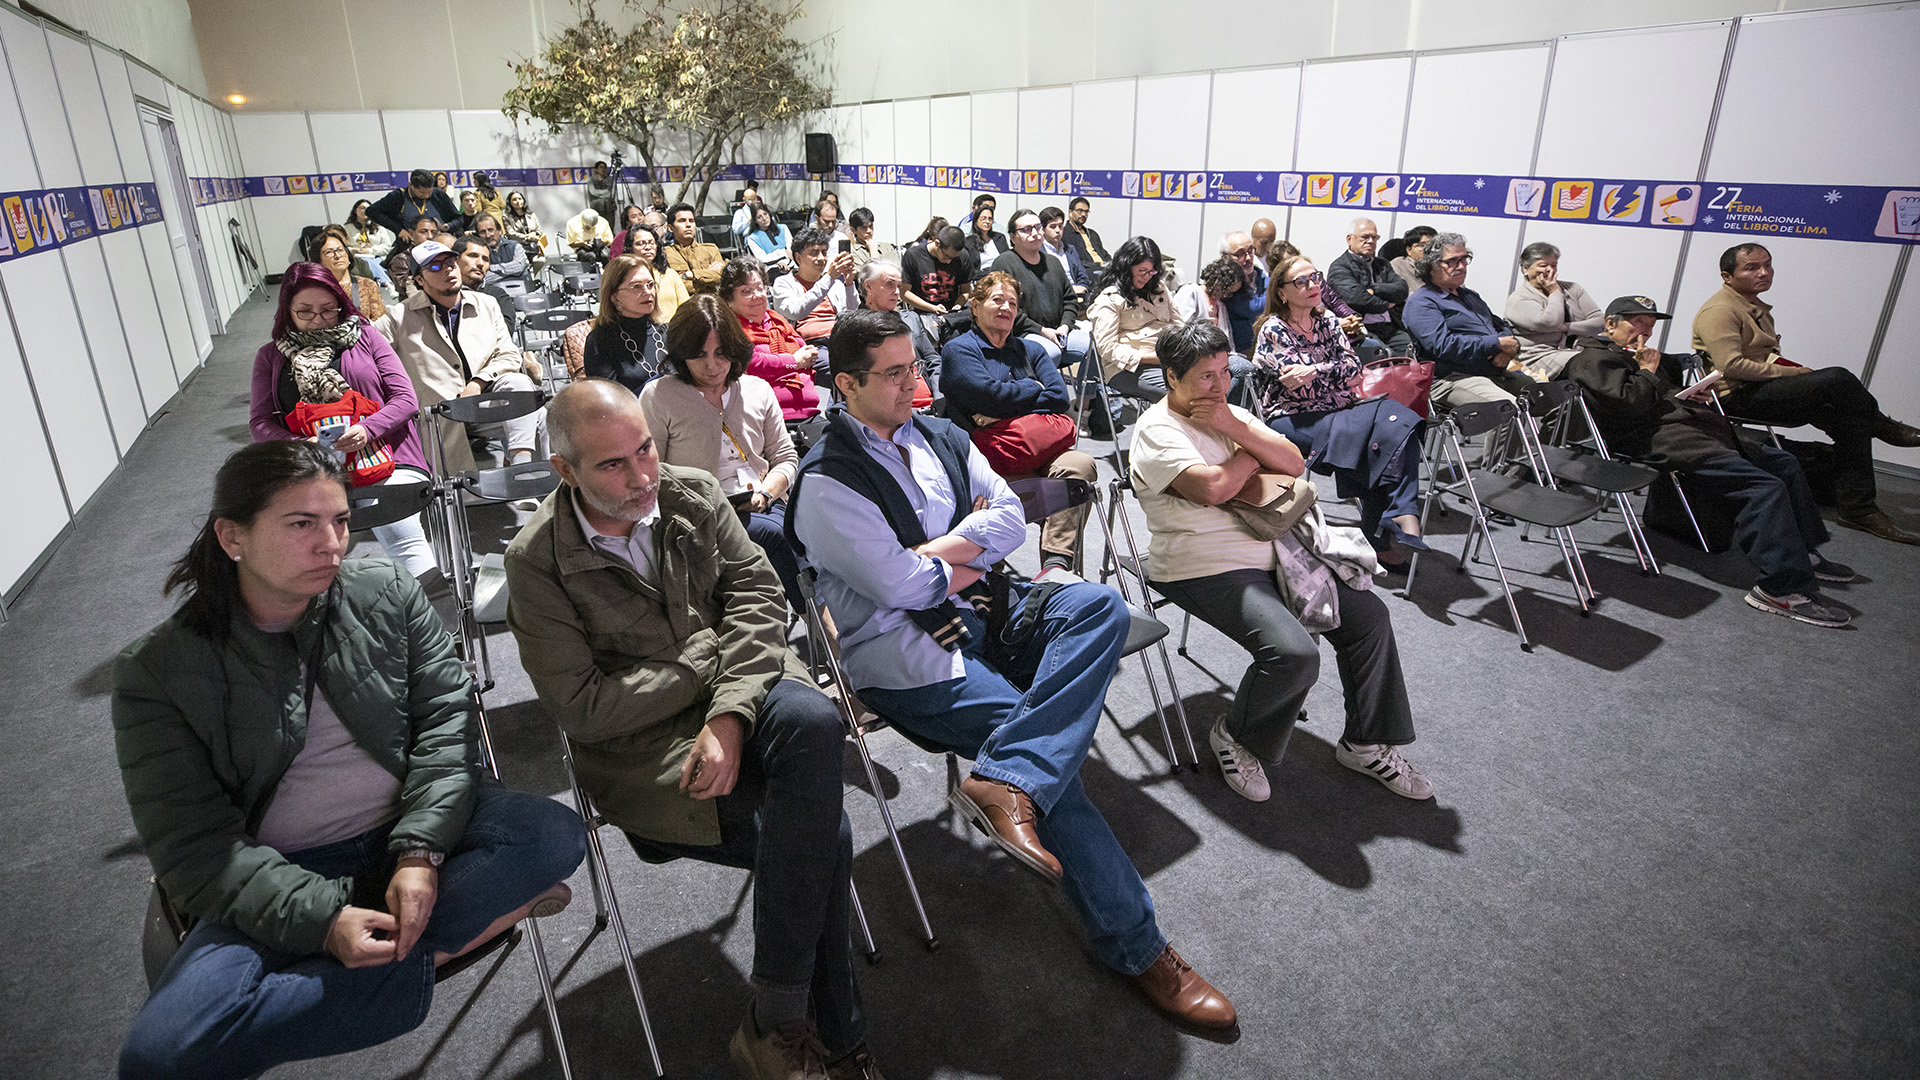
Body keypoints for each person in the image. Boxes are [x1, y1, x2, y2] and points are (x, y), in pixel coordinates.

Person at [788, 309, 1237, 1032]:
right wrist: (960, 553)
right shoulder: (825, 481)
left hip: (988, 611)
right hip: (906, 653)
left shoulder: (939, 434)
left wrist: (939, 555)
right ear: (846, 384)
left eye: (914, 367)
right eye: (894, 374)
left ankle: (1007, 779)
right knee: (1035, 749)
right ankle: (1139, 947)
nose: (913, 384)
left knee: (1098, 607)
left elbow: (1006, 516)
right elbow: (901, 588)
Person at [114, 440, 583, 1080]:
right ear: (231, 537)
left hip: (413, 830)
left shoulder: (383, 591)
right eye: (301, 524)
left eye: (339, 521)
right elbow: (193, 847)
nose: (332, 544)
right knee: (160, 1055)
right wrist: (324, 919)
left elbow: (447, 718)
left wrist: (420, 853)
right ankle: (441, 946)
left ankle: (376, 948)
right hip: (281, 867)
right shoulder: (157, 670)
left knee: (552, 834)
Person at [502, 381, 878, 1080]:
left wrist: (728, 716)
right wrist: (705, 655)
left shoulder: (693, 493)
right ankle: (826, 1031)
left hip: (744, 687)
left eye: (645, 449)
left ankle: (777, 1024)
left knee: (814, 718)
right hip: (646, 750)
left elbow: (760, 600)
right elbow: (585, 709)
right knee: (826, 834)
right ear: (565, 471)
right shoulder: (537, 561)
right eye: (613, 464)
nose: (642, 475)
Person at [1132, 319, 1433, 805]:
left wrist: (1234, 429)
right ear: (1172, 377)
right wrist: (1253, 453)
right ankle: (1236, 736)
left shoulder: (1228, 413)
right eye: (1206, 376)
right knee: (1293, 655)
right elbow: (1213, 488)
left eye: (1224, 372)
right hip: (1201, 564)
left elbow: (1293, 463)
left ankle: (1366, 742)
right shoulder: (1156, 429)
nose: (1220, 385)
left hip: (1277, 550)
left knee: (1370, 618)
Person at [1567, 295, 1860, 626]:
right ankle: (1780, 589)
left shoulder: (1636, 356)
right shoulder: (1593, 360)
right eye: (1638, 323)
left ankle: (1801, 552)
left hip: (1691, 429)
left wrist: (1692, 395)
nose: (1645, 331)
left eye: (1649, 325)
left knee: (1784, 463)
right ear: (1610, 324)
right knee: (1764, 487)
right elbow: (1627, 405)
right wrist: (1648, 371)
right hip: (1663, 441)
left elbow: (1659, 396)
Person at [1692, 243, 1920, 543]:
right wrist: (1796, 374)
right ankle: (1886, 429)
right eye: (1752, 268)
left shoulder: (1753, 306)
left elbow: (1763, 358)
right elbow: (1731, 365)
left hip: (1761, 389)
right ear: (1727, 276)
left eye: (1767, 265)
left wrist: (1792, 371)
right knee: (1837, 378)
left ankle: (1858, 509)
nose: (1764, 272)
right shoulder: (1720, 310)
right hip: (1736, 396)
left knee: (1851, 421)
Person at [247, 262, 429, 576]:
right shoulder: (271, 356)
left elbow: (405, 399)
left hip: (387, 459)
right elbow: (260, 424)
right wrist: (301, 445)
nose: (318, 320)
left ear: (340, 305)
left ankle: (431, 606)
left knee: (401, 535)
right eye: (305, 312)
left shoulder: (366, 337)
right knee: (306, 550)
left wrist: (367, 429)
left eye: (327, 310)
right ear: (287, 311)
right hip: (310, 468)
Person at [1251, 256, 1427, 563]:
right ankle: (1388, 526)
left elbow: (1354, 371)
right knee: (1383, 436)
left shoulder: (1329, 322)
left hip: (1340, 410)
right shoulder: (1274, 329)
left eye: (1315, 277)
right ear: (1282, 293)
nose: (1312, 285)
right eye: (1301, 281)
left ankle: (1395, 517)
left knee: (1398, 428)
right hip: (1292, 416)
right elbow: (1301, 389)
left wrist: (1314, 370)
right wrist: (1330, 371)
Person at [641, 296, 805, 609]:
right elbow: (651, 473)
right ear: (682, 354)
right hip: (697, 514)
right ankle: (814, 619)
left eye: (721, 353)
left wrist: (766, 494)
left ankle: (805, 615)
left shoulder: (756, 390)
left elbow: (785, 458)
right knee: (775, 537)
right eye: (699, 355)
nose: (712, 365)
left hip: (762, 501)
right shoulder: (661, 395)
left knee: (802, 532)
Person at [940, 271, 1096, 572]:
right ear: (975, 306)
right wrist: (1032, 388)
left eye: (1012, 303)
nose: (1006, 308)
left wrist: (1002, 409)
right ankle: (988, 575)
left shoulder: (1031, 349)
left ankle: (1057, 566)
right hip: (987, 461)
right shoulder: (959, 351)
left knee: (1080, 466)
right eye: (997, 300)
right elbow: (990, 396)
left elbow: (1059, 398)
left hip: (1036, 450)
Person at [375, 241, 543, 473]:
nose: (447, 269)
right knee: (537, 414)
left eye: (450, 262)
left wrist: (478, 382)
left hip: (485, 399)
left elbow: (508, 353)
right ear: (419, 280)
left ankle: (523, 473)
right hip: (441, 413)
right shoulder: (397, 317)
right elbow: (368, 352)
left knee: (523, 389)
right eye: (435, 267)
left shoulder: (487, 304)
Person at [1403, 231, 1535, 408]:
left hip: (1492, 373)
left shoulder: (1469, 296)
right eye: (1452, 261)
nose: (1461, 266)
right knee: (1508, 408)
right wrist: (1496, 344)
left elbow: (1500, 325)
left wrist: (1508, 349)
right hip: (1452, 379)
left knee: (1549, 396)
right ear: (1432, 265)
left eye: (1464, 259)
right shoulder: (1422, 302)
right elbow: (1443, 346)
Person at [992, 208, 1091, 377]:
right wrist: (1042, 331)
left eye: (1038, 227)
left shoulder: (1053, 262)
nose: (1035, 233)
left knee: (1095, 347)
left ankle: (1088, 394)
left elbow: (1070, 300)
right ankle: (1044, 394)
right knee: (1050, 353)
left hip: (1060, 331)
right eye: (1026, 229)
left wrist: (1065, 326)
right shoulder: (1004, 263)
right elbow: (1005, 309)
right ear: (1012, 237)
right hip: (1023, 334)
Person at [725, 257, 822, 421]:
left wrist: (779, 366)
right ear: (729, 299)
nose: (757, 295)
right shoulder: (730, 327)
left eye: (760, 288)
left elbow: (806, 352)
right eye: (746, 291)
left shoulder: (776, 320)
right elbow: (753, 364)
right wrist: (794, 362)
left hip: (810, 413)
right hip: (767, 419)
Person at [1088, 235, 1181, 399]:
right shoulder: (1110, 298)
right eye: (1142, 271)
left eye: (1152, 271)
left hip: (1167, 359)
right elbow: (1107, 348)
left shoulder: (1158, 288)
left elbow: (1179, 324)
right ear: (1127, 267)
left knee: (1215, 379)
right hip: (1127, 367)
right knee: (1183, 392)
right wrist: (1151, 359)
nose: (1147, 276)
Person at [1504, 242, 1602, 379]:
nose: (1549, 270)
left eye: (1554, 265)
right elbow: (1550, 322)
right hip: (1539, 357)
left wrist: (1567, 327)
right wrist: (1555, 292)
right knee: (1592, 363)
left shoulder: (1573, 288)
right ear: (1525, 268)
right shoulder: (1518, 299)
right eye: (1543, 265)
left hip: (1576, 350)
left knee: (1611, 359)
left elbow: (1600, 322)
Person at [1327, 218, 1416, 358]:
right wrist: (1386, 304)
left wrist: (1374, 290)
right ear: (1349, 239)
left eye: (1374, 237)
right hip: (1361, 328)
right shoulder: (1340, 266)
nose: (1370, 241)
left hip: (1390, 326)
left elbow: (1402, 289)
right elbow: (1356, 298)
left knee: (1412, 351)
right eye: (1365, 237)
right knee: (1385, 357)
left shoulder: (1383, 264)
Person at [856, 258, 941, 402]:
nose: (896, 292)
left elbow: (933, 360)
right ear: (868, 286)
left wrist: (940, 395)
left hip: (929, 399)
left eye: (899, 286)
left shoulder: (911, 319)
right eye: (889, 284)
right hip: (886, 404)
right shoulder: (856, 326)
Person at [771, 227, 860, 361]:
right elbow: (796, 312)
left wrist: (849, 283)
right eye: (814, 253)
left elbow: (852, 315)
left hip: (839, 339)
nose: (821, 258)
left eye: (824, 252)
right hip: (809, 344)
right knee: (833, 362)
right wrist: (829, 278)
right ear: (798, 258)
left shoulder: (835, 284)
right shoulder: (783, 283)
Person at [581, 254, 666, 394]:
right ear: (614, 297)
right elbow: (607, 399)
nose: (647, 292)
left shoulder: (665, 329)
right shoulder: (600, 340)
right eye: (636, 286)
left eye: (650, 285)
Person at [307, 225, 386, 324]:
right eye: (329, 252)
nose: (337, 255)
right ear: (318, 261)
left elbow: (380, 323)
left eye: (340, 250)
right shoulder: (316, 291)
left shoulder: (367, 285)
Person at [449, 234, 523, 338]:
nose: (480, 263)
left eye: (485, 259)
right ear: (455, 260)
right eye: (473, 256)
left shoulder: (498, 296)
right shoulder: (445, 293)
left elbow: (504, 334)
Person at [1217, 231, 1268, 356]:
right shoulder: (1224, 287)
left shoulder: (1264, 279)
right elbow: (1252, 308)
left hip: (1266, 351)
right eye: (1240, 254)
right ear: (1225, 257)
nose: (1248, 258)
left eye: (1250, 251)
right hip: (1236, 354)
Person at [366, 168, 458, 236]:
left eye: (429, 192)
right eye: (422, 193)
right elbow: (371, 211)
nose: (426, 196)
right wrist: (398, 229)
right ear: (410, 185)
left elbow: (458, 218)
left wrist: (448, 226)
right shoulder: (398, 196)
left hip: (439, 241)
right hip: (410, 243)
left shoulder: (438, 194)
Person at [901, 225, 968, 315]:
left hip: (952, 313)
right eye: (946, 256)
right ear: (937, 243)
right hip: (923, 313)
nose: (948, 261)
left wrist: (959, 304)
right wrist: (932, 308)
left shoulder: (962, 257)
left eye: (953, 258)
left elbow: (966, 291)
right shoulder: (914, 255)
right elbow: (904, 293)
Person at [664, 203, 725, 295]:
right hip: (685, 302)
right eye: (682, 221)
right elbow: (673, 285)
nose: (688, 224)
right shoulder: (666, 254)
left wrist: (690, 275)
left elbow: (722, 278)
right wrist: (708, 276)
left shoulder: (710, 249)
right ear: (670, 228)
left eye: (691, 221)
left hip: (712, 300)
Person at [1038, 205, 1091, 299]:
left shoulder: (1070, 249)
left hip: (1077, 295)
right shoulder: (1038, 251)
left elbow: (1082, 275)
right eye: (1053, 227)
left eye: (1060, 226)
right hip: (1054, 297)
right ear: (1043, 230)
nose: (1058, 230)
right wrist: (1069, 290)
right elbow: (1042, 282)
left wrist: (1082, 287)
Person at [341, 200, 397, 287]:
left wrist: (371, 250)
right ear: (355, 210)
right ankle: (387, 283)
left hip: (377, 257)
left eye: (367, 208)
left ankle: (382, 282)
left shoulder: (379, 227)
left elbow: (387, 246)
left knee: (373, 262)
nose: (365, 211)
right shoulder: (347, 228)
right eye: (362, 208)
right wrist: (353, 250)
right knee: (367, 262)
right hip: (358, 258)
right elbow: (342, 247)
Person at [473, 212, 529, 291]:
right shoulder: (478, 253)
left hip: (521, 290)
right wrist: (511, 269)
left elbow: (519, 267)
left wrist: (491, 268)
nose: (488, 235)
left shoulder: (515, 246)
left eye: (490, 230)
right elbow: (483, 278)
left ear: (500, 231)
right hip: (494, 293)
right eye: (483, 232)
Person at [742, 203, 794, 275]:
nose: (764, 218)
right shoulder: (752, 238)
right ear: (755, 221)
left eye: (765, 214)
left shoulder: (783, 228)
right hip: (770, 269)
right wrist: (782, 253)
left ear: (769, 214)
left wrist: (783, 261)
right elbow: (762, 259)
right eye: (759, 217)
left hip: (790, 264)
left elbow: (791, 252)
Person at [1063, 196, 1110, 271]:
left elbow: (1104, 254)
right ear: (1070, 212)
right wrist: (1097, 265)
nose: (1083, 214)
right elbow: (1071, 260)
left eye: (1086, 211)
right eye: (1080, 211)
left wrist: (1112, 263)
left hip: (1104, 270)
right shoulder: (1064, 233)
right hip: (1087, 271)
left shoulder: (1092, 233)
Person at [846, 207, 895, 274]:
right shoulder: (852, 254)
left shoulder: (887, 247)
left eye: (870, 226)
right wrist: (873, 254)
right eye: (864, 227)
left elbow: (897, 271)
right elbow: (868, 276)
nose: (869, 231)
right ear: (853, 230)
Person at [1390, 225, 1436, 294]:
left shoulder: (1441, 267)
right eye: (1422, 245)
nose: (1428, 249)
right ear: (1409, 250)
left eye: (1432, 246)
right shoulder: (1399, 265)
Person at [502, 191, 544, 261]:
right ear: (510, 202)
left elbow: (539, 230)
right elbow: (510, 234)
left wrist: (534, 233)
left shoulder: (532, 215)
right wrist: (527, 237)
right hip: (517, 248)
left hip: (534, 248)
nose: (518, 201)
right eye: (514, 199)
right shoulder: (506, 217)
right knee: (524, 263)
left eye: (520, 199)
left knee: (540, 261)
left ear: (523, 200)